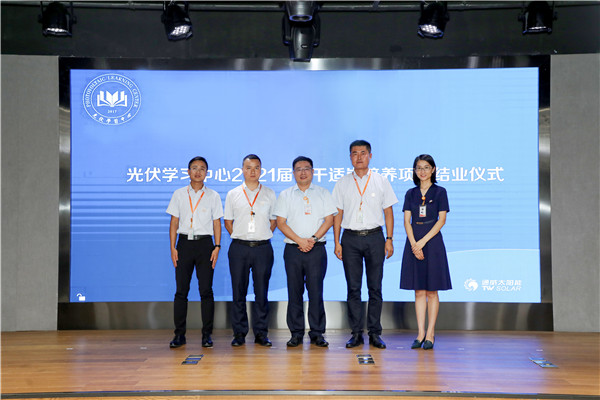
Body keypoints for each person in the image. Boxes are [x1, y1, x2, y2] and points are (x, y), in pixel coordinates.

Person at [332, 140, 398, 349]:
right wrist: (336, 242)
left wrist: (389, 239)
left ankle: (375, 333)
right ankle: (356, 333)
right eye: (354, 153)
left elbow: (388, 212)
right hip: (350, 239)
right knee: (353, 288)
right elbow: (337, 214)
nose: (359, 157)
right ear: (350, 157)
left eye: (363, 153)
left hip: (375, 237)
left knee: (375, 287)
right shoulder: (342, 183)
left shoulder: (381, 181)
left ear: (370, 155)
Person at [274, 156, 337, 348]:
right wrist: (300, 240)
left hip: (316, 249)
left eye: (306, 168)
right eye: (299, 169)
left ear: (313, 171)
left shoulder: (323, 193)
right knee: (294, 292)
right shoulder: (285, 195)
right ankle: (296, 333)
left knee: (316, 291)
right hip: (293, 250)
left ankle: (317, 333)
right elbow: (280, 223)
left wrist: (313, 239)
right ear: (293, 173)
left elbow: (329, 220)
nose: (303, 172)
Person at [166, 156, 223, 349]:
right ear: (188, 171)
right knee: (181, 291)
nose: (198, 172)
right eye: (194, 168)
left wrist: (217, 247)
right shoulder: (179, 194)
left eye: (202, 168)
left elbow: (217, 223)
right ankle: (179, 335)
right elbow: (174, 222)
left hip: (205, 245)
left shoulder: (213, 195)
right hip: (184, 244)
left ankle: (207, 335)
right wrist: (173, 247)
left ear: (207, 172)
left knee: (206, 291)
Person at [224, 154, 277, 347]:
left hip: (262, 248)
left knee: (261, 292)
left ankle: (261, 333)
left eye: (256, 168)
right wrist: (241, 236)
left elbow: (273, 221)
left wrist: (261, 235)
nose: (252, 171)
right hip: (239, 248)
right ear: (242, 170)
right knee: (238, 291)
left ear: (261, 170)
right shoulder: (233, 194)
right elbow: (228, 222)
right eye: (248, 168)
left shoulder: (269, 193)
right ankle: (239, 333)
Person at [400, 154, 452, 351]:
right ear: (415, 171)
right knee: (419, 290)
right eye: (419, 168)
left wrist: (422, 242)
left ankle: (430, 333)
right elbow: (407, 221)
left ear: (433, 170)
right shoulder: (410, 193)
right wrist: (414, 244)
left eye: (426, 167)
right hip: (414, 241)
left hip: (432, 242)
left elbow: (442, 220)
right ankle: (420, 333)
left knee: (432, 290)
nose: (422, 171)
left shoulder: (440, 192)